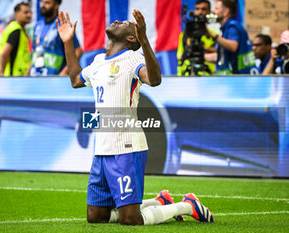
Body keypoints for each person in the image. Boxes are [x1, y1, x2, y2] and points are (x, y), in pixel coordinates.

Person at [56, 10, 215, 225]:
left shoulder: (132, 59)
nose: (118, 20)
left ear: (132, 37)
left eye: (125, 23)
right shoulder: (98, 61)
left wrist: (145, 40)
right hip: (102, 149)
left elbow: (155, 79)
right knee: (96, 217)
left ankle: (187, 205)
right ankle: (160, 200)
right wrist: (67, 42)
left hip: (127, 146)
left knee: (131, 220)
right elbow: (75, 79)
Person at [30, 0, 83, 76]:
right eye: (42, 2)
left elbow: (78, 51)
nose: (42, 5)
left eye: (47, 3)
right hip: (35, 76)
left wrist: (64, 72)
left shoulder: (63, 25)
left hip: (55, 79)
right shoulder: (37, 25)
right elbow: (34, 52)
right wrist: (27, 74)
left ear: (56, 5)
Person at [207, 0, 256, 74]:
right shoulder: (227, 28)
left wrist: (213, 35)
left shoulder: (232, 27)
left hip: (239, 78)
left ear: (226, 12)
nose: (213, 11)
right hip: (237, 77)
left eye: (216, 9)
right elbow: (221, 57)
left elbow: (233, 46)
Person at [177, 0, 216, 76]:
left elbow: (219, 54)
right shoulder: (185, 34)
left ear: (209, 12)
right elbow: (179, 56)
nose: (200, 12)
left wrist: (203, 48)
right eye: (197, 9)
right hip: (186, 76)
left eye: (203, 9)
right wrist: (189, 46)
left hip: (208, 77)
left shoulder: (213, 35)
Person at [0, 2, 32, 76]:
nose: (29, 15)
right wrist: (1, 72)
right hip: (15, 78)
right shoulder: (16, 31)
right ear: (16, 14)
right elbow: (5, 53)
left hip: (15, 77)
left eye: (30, 12)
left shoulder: (12, 28)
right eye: (26, 12)